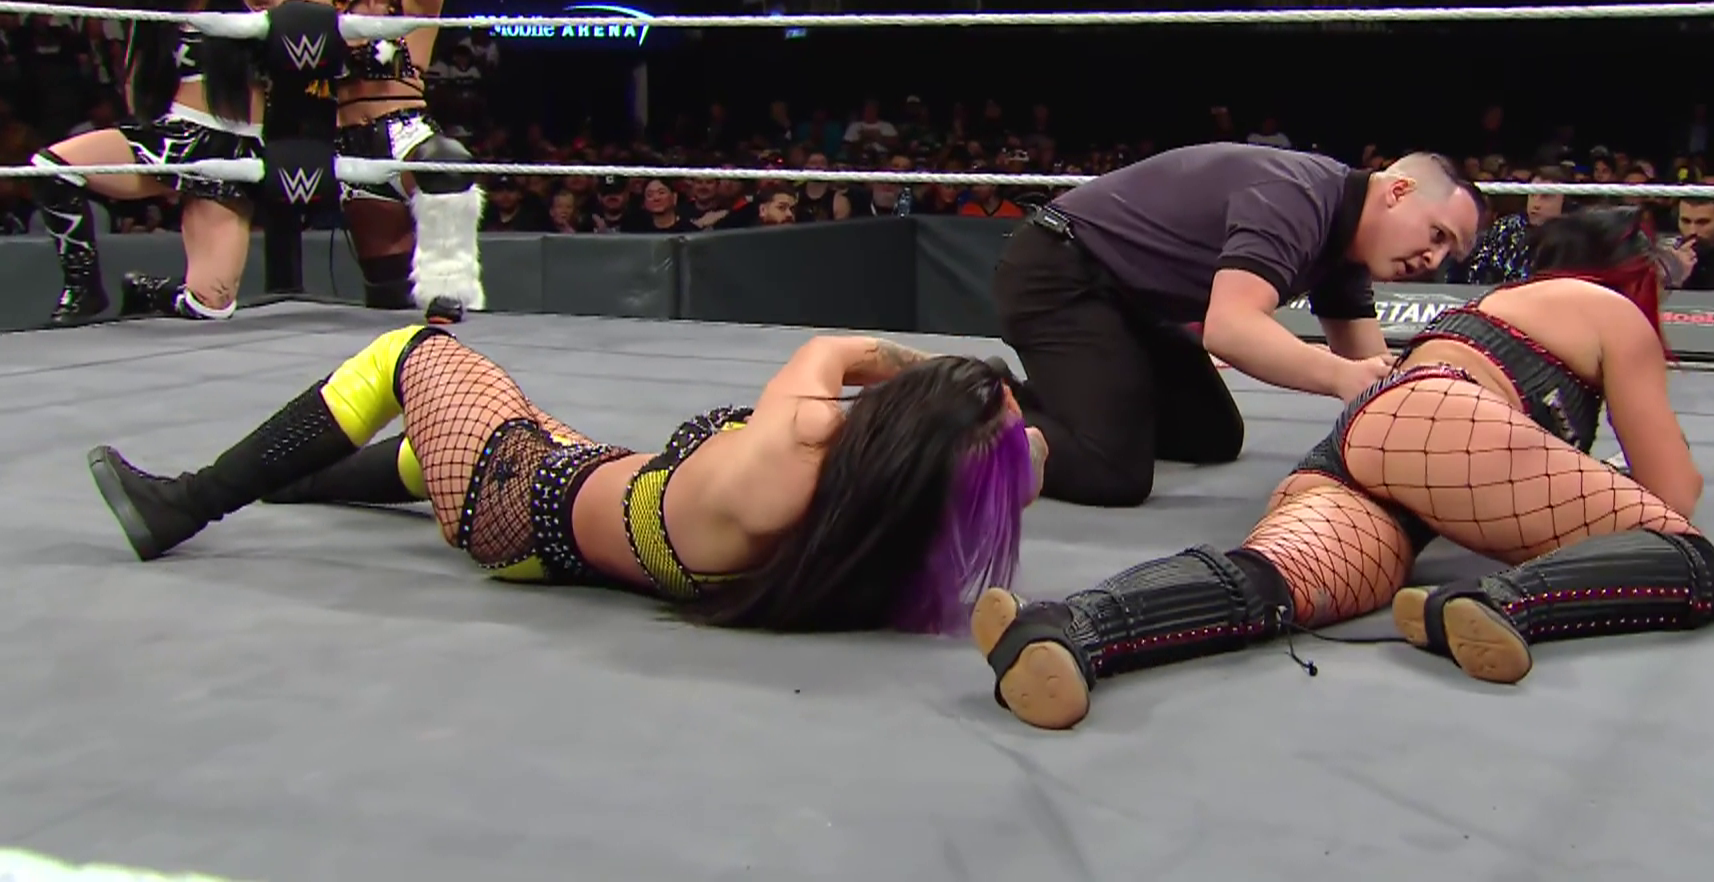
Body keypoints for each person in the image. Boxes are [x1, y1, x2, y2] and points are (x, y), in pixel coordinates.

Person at [972, 206, 1714, 730]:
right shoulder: (1609, 310)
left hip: (1368, 443)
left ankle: (1073, 625)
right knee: (1693, 564)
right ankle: (1499, 604)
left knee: (1275, 581)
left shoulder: (1502, 306)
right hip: (1439, 424)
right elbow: (1674, 493)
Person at [88, 327, 1042, 635]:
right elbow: (1025, 458)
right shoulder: (905, 512)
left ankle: (185, 502)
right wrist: (990, 421)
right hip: (575, 504)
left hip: (524, 502)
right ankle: (296, 479)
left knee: (414, 354)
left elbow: (839, 348)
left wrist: (937, 371)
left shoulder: (794, 450)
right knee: (434, 448)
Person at [992, 143, 1485, 508]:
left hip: (1129, 303)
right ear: (1398, 191)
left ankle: (1065, 399)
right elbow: (1230, 329)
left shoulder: (1347, 248)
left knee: (1214, 435)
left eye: (1449, 252)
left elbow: (1372, 371)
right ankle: (977, 407)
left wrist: (1437, 427)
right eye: (1437, 234)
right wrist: (1341, 377)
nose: (1433, 259)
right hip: (1058, 275)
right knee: (1113, 472)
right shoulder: (1298, 198)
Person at [29, 0, 339, 326]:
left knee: (212, 304)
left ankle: (149, 291)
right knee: (50, 167)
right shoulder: (161, 15)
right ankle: (82, 287)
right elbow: (136, 85)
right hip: (173, 138)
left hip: (230, 149)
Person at [313, 0, 483, 316]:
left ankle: (451, 291)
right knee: (388, 294)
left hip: (406, 135)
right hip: (351, 147)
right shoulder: (331, 7)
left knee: (447, 163)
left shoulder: (414, 4)